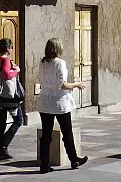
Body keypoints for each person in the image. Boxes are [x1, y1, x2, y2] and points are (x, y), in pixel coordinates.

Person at [38, 38, 88, 173]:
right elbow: (62, 85)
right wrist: (76, 84)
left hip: (45, 102)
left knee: (46, 135)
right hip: (59, 102)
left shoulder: (42, 63)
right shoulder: (60, 63)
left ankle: (44, 164)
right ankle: (74, 159)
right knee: (67, 132)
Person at [0, 38, 25, 161]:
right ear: (7, 48)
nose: (11, 49)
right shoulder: (6, 60)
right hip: (9, 97)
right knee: (19, 120)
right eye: (11, 47)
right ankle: (3, 145)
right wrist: (16, 71)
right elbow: (6, 75)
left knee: (1, 124)